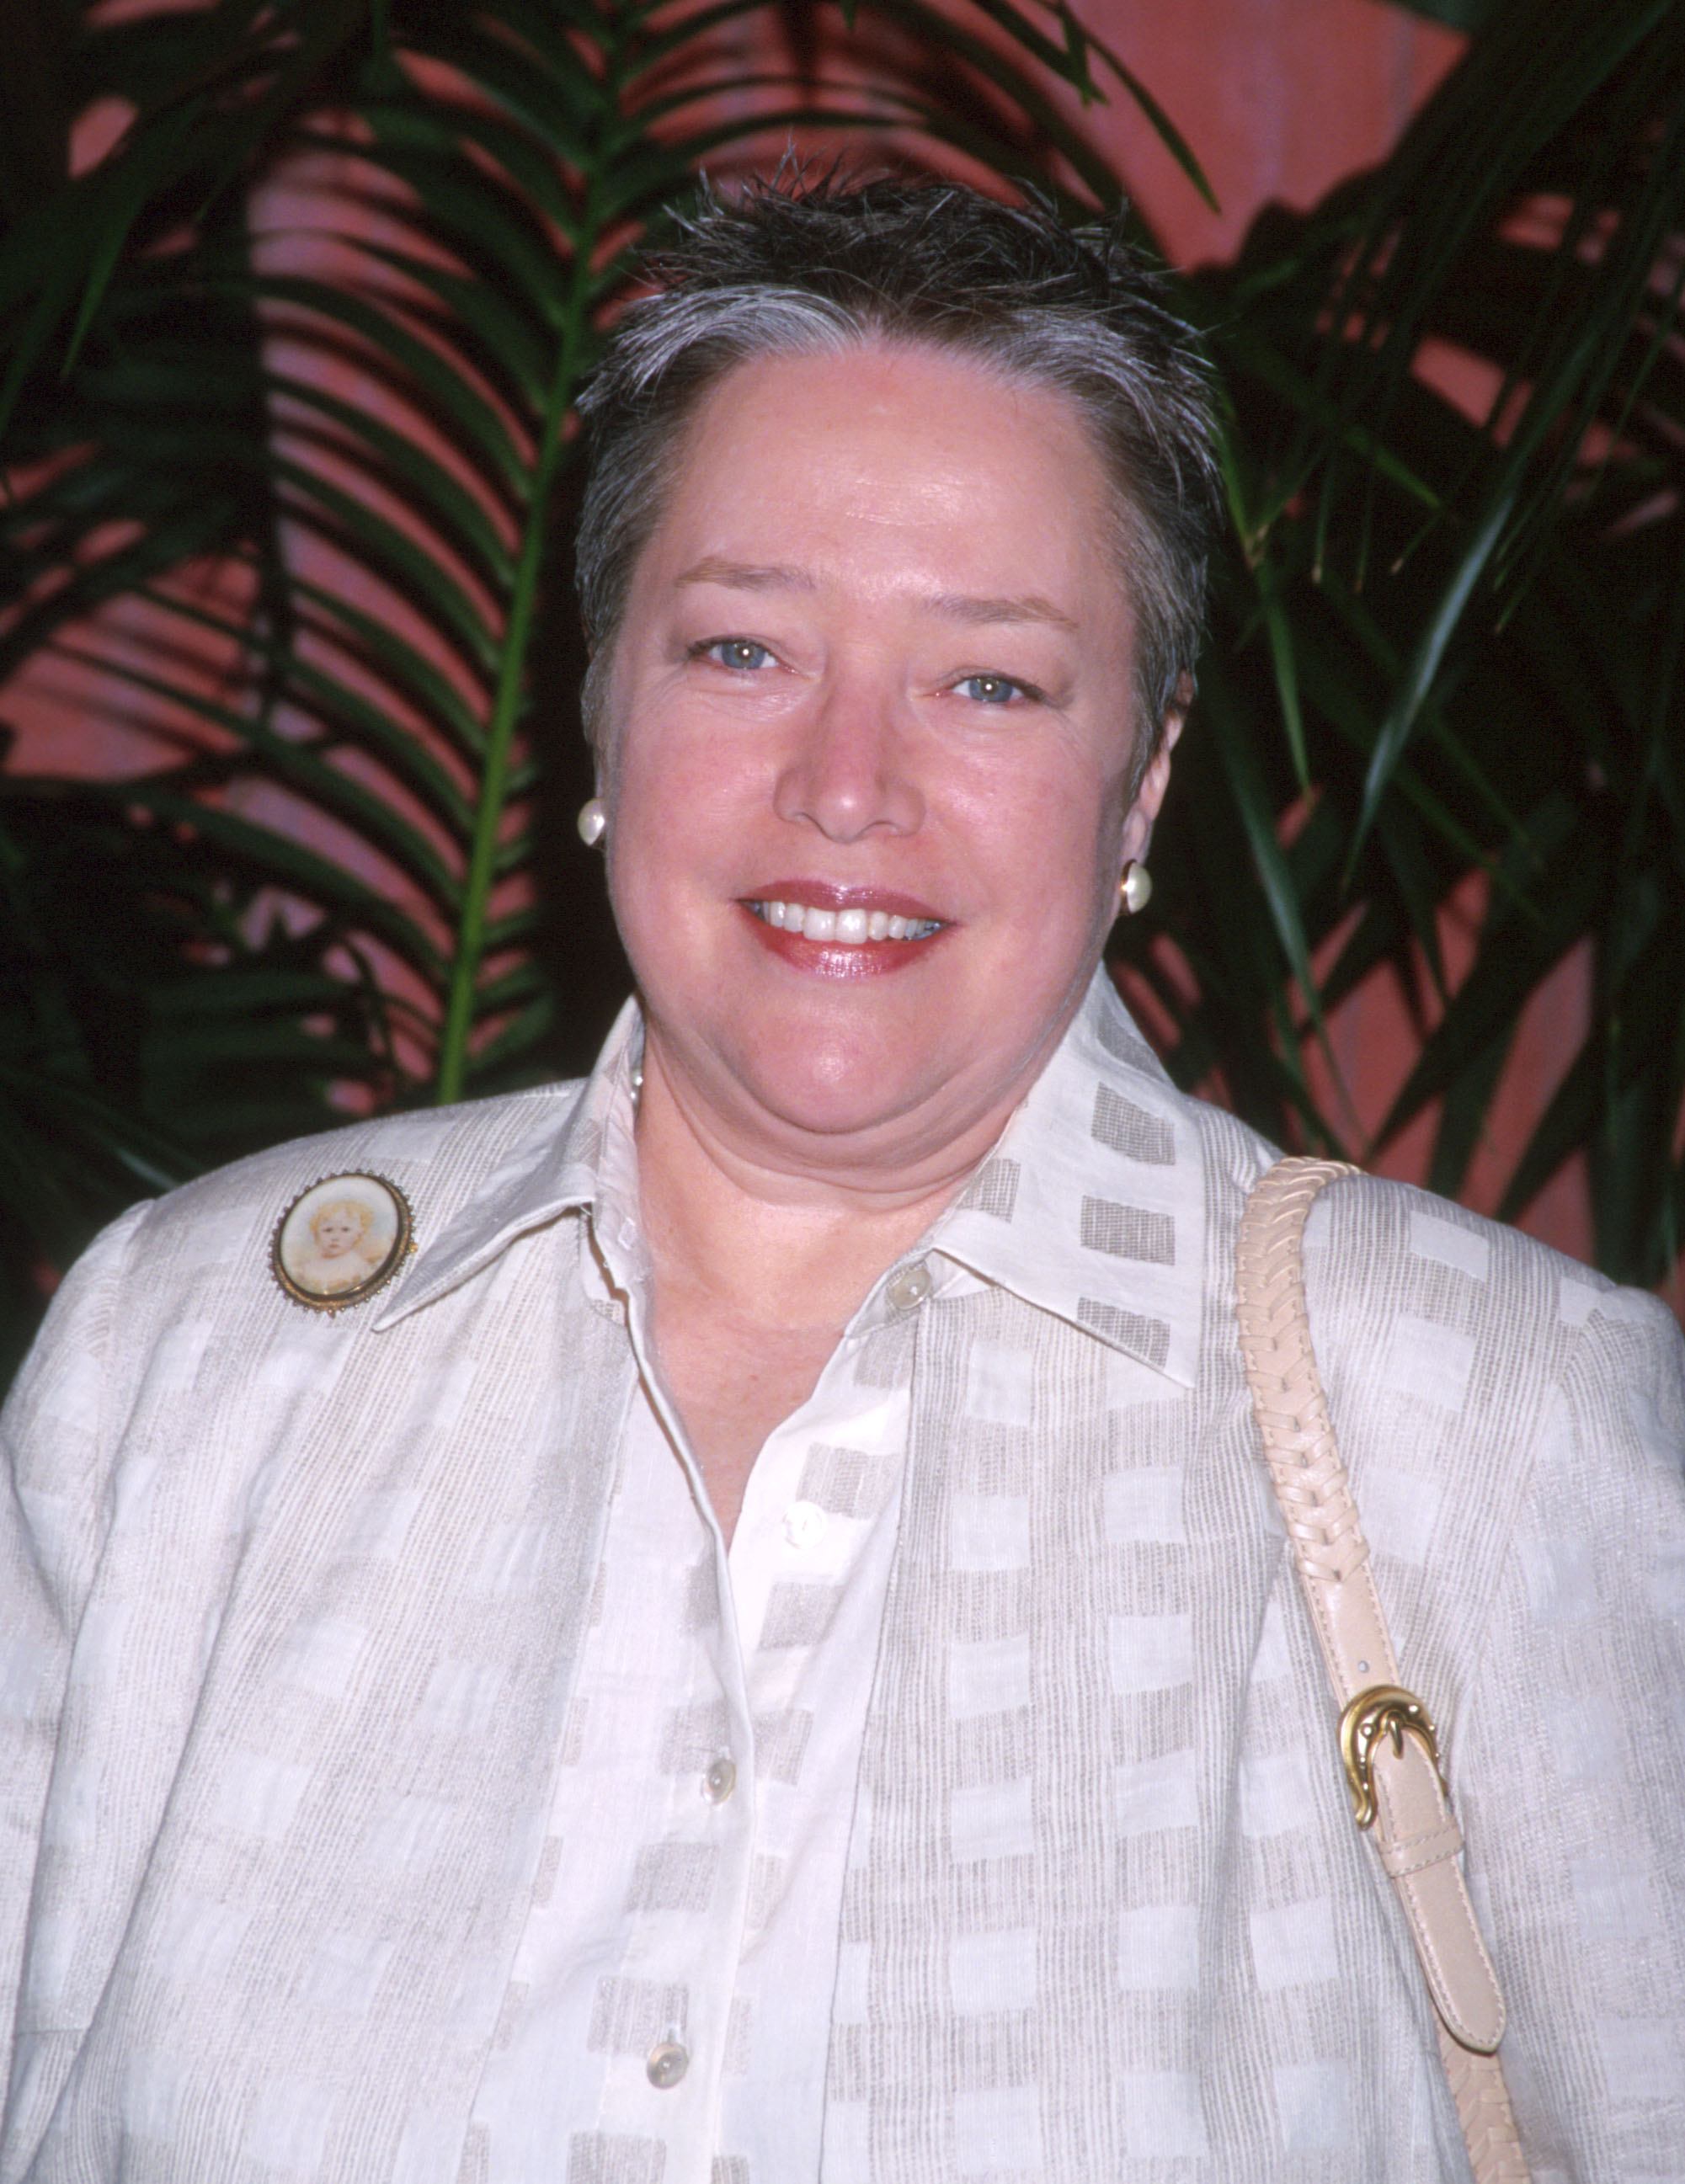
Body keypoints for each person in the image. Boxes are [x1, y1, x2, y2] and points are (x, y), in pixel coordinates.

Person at [2, 176, 1682, 2184]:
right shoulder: (193, 1356)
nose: (845, 783)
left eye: (987, 680)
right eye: (736, 647)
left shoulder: (1478, 1409)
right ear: (596, 705)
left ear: (1139, 778)